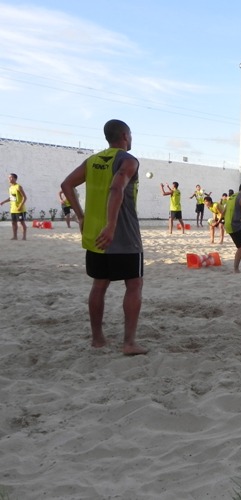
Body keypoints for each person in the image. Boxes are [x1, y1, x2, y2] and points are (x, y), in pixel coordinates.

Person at [60, 119, 147, 355]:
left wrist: (81, 216)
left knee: (99, 285)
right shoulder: (129, 160)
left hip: (95, 235)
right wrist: (111, 225)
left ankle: (98, 339)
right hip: (124, 236)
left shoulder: (93, 160)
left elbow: (67, 184)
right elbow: (117, 188)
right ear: (125, 136)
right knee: (134, 284)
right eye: (130, 134)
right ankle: (129, 343)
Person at [1, 173, 28, 240]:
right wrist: (3, 202)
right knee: (13, 223)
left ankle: (24, 236)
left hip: (20, 209)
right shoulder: (10, 188)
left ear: (15, 179)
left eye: (11, 177)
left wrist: (20, 206)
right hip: (13, 209)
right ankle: (15, 236)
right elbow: (12, 198)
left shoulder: (18, 187)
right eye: (9, 178)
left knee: (21, 223)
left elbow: (25, 197)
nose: (10, 179)